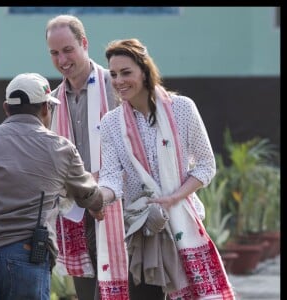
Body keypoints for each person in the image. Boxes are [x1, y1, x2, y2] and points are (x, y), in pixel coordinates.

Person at [98, 38, 236, 300]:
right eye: (113, 74)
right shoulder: (110, 124)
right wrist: (98, 196)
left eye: (126, 72)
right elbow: (111, 177)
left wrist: (174, 197)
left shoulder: (182, 108)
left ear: (145, 71)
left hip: (182, 224)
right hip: (142, 229)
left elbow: (206, 166)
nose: (118, 81)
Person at [0, 72, 105, 300]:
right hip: (26, 257)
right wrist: (100, 200)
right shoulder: (60, 148)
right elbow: (90, 196)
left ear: (6, 108)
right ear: (46, 109)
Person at [45, 15, 129, 300]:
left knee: (126, 288)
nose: (62, 59)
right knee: (86, 291)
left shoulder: (115, 86)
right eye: (54, 53)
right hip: (78, 211)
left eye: (68, 49)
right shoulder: (54, 101)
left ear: (84, 43)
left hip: (122, 204)